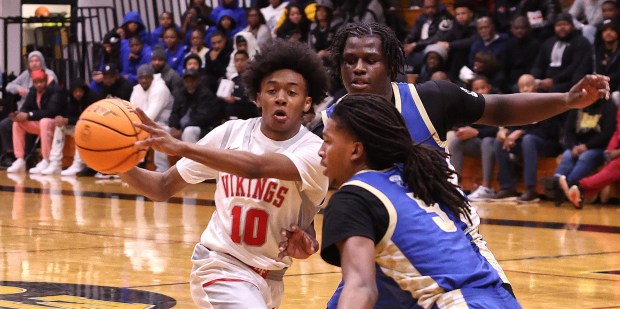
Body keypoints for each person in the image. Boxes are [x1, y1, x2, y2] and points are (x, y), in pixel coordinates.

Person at [283, 21, 610, 307]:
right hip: (386, 252)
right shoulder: (331, 125)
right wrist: (308, 230)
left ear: (390, 64)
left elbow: (501, 110)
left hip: (447, 246)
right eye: (349, 60)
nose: (357, 68)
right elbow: (313, 188)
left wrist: (568, 100)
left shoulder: (429, 99)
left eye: (370, 60)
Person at [118, 39, 329, 308]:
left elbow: (260, 171)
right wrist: (116, 163)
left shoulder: (315, 152)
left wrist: (309, 241)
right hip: (220, 267)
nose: (280, 98)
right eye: (272, 90)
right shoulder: (229, 134)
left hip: (271, 279)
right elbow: (161, 187)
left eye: (291, 92)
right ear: (257, 98)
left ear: (307, 103)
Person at [319, 93, 522, 308]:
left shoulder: (353, 197)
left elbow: (361, 288)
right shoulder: (418, 178)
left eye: (327, 141)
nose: (321, 151)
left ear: (356, 150)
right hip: (500, 297)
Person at [7, 70, 65, 173]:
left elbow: (51, 112)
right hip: (40, 125)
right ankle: (20, 159)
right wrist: (19, 114)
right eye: (36, 82)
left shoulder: (55, 90)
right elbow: (26, 107)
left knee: (44, 121)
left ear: (46, 79)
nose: (38, 85)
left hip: (57, 125)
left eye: (41, 81)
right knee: (17, 123)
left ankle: (46, 159)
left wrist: (29, 115)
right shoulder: (33, 90)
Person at [130, 64, 174, 172]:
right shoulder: (136, 90)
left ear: (152, 77)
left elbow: (150, 116)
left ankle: (162, 169)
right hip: (145, 123)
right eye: (141, 78)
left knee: (158, 132)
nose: (144, 80)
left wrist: (134, 124)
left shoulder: (160, 88)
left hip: (166, 124)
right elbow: (131, 111)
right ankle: (131, 167)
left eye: (147, 77)